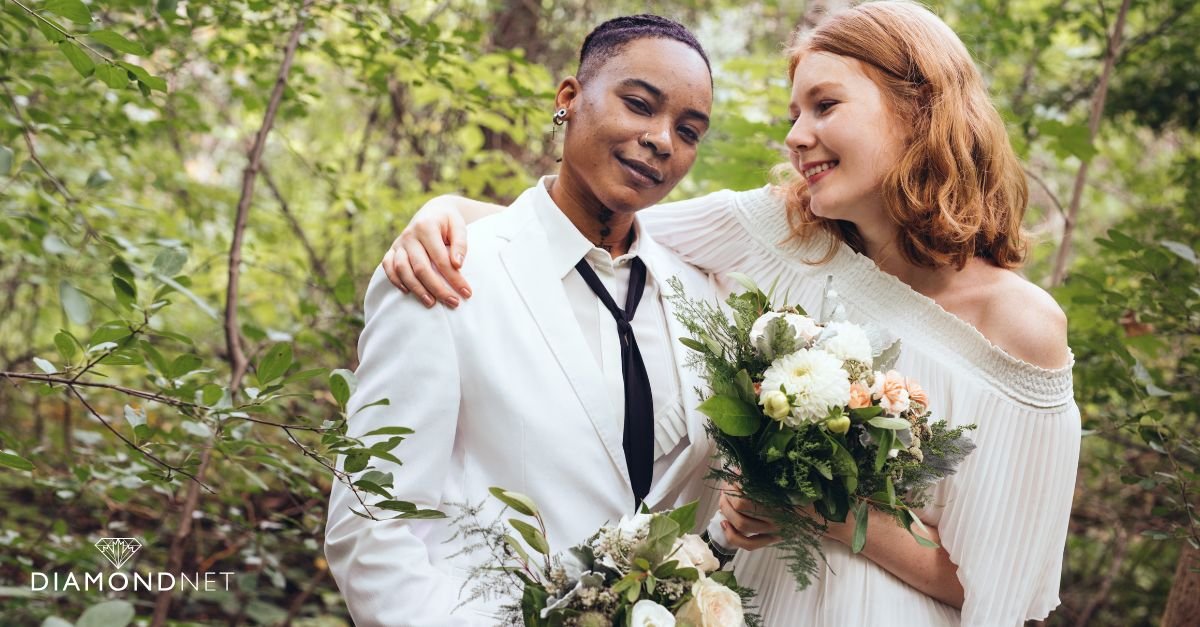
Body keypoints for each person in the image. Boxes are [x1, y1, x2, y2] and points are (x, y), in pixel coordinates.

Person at [381, 2, 1082, 625]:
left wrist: (826, 513)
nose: (798, 136)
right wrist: (446, 213)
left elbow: (994, 587)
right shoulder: (782, 233)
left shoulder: (1021, 327)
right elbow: (597, 225)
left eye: (825, 106)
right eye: (793, 117)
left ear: (918, 105)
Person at [324, 15, 724, 626]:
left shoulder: (704, 295)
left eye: (688, 131)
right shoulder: (445, 268)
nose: (662, 139)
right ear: (568, 99)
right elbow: (373, 524)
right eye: (640, 105)